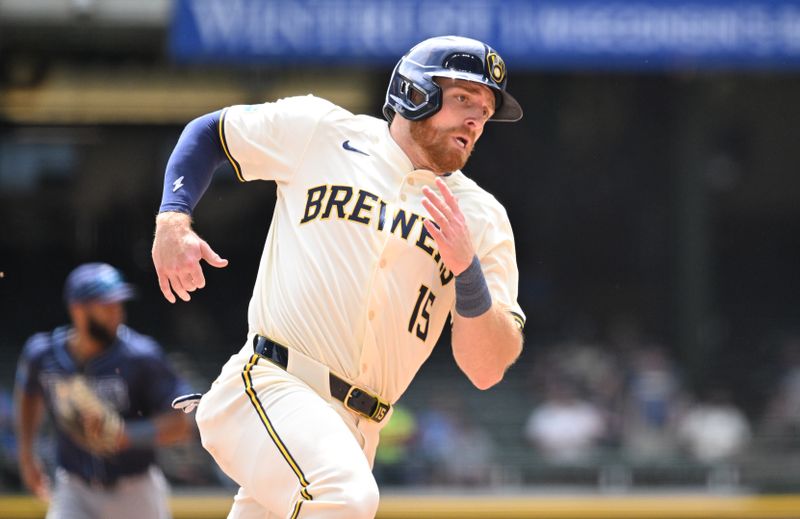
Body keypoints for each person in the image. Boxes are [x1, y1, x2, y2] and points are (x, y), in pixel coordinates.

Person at [152, 35, 525, 518]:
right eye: (463, 99)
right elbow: (209, 133)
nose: (477, 119)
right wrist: (172, 220)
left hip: (358, 430)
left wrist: (467, 271)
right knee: (343, 496)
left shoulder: (481, 217)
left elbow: (487, 367)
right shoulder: (322, 132)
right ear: (415, 92)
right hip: (274, 384)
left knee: (338, 491)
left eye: (486, 111)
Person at [14, 263, 193, 519]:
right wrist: (26, 454)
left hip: (135, 490)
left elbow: (181, 422)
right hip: (74, 488)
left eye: (119, 305)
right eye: (106, 305)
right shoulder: (43, 355)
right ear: (78, 309)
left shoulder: (141, 355)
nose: (117, 313)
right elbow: (28, 393)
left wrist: (125, 435)